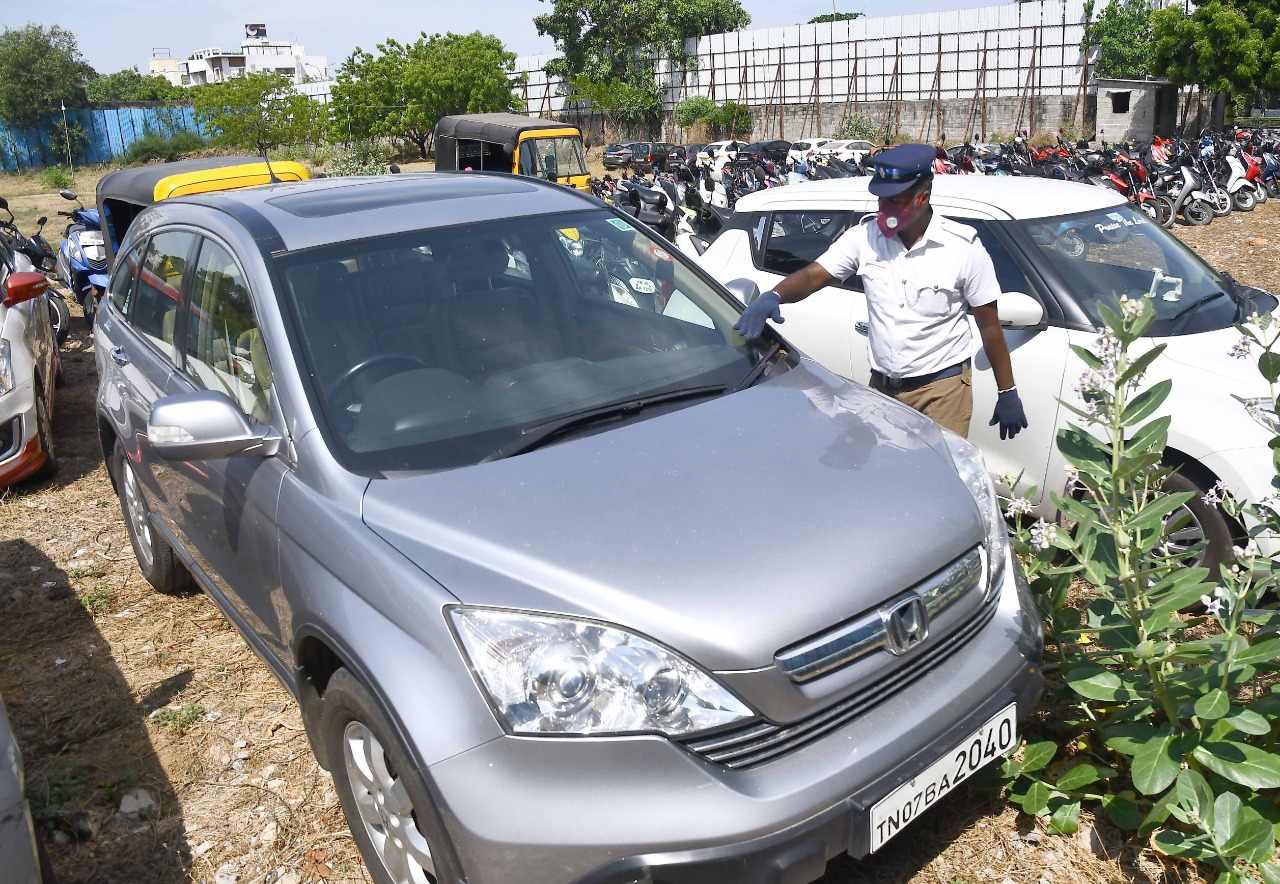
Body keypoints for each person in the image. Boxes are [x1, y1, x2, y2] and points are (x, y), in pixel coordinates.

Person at [733, 142, 1026, 440]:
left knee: (936, 479)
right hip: (883, 391)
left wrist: (1008, 391)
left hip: (942, 392)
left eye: (895, 200)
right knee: (889, 474)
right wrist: (775, 294)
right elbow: (813, 275)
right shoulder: (865, 238)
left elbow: (990, 329)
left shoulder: (962, 248)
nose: (884, 209)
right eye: (880, 199)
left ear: (922, 197)